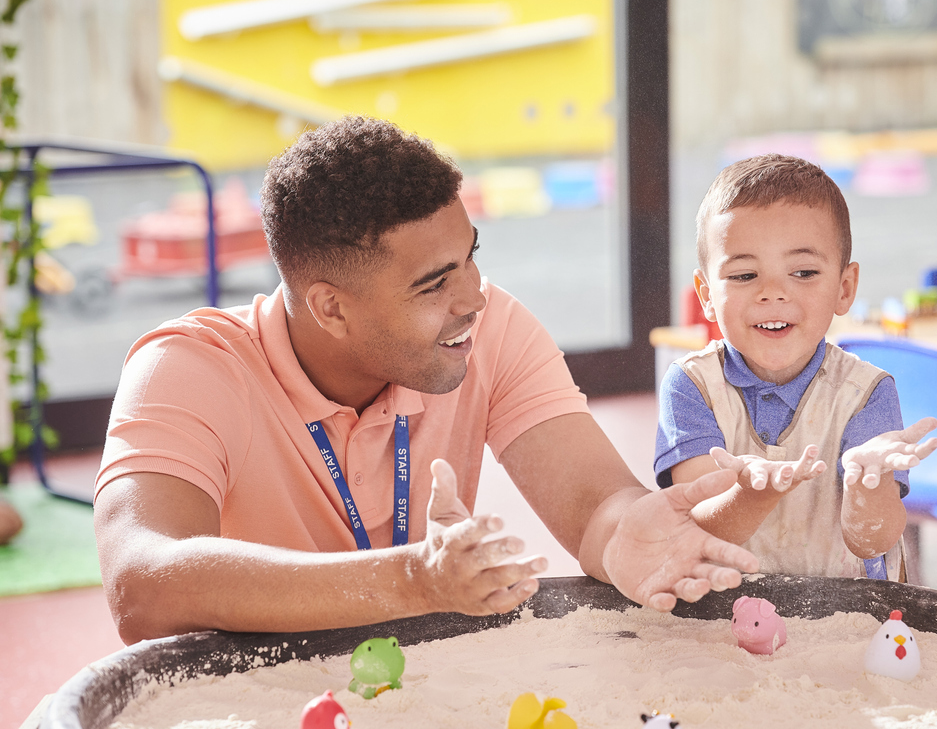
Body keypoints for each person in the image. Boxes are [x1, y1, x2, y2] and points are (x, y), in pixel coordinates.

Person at [93, 116, 757, 645]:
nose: (472, 297)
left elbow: (596, 510)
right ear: (330, 307)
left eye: (469, 258)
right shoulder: (188, 368)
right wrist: (415, 579)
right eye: (434, 283)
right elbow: (142, 585)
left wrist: (628, 532)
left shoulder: (491, 328)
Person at [654, 154, 937, 580]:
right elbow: (700, 521)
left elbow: (870, 542)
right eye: (745, 275)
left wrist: (867, 484)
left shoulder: (865, 393)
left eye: (803, 272)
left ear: (845, 288)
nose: (773, 293)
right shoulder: (692, 386)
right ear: (706, 294)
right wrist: (753, 493)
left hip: (848, 621)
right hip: (721, 622)